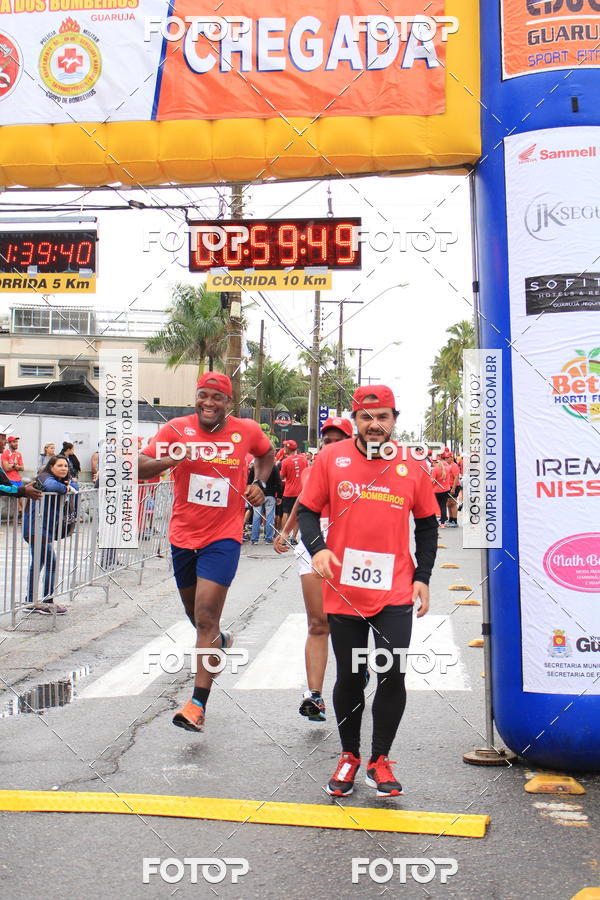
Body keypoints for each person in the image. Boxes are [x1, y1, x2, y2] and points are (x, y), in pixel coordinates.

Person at [297, 385, 438, 798]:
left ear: (395, 420)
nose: (375, 426)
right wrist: (318, 549)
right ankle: (349, 755)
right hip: (345, 588)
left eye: (383, 418)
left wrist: (423, 576)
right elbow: (306, 510)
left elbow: (428, 524)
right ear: (355, 420)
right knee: (351, 676)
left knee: (392, 673)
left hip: (394, 588)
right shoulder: (331, 458)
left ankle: (380, 760)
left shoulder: (411, 465)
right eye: (366, 418)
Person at [138, 372, 274, 733]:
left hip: (224, 537)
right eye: (203, 396)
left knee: (206, 617)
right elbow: (137, 467)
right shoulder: (175, 430)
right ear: (195, 397)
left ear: (228, 403)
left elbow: (266, 453)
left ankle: (197, 704)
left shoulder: (245, 430)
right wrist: (171, 460)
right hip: (183, 536)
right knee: (195, 616)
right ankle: (221, 641)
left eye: (217, 397)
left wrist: (259, 483)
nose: (209, 403)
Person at [274, 415, 353, 722]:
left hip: (349, 542)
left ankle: (353, 683)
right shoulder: (310, 469)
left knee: (348, 623)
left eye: (338, 441)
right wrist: (287, 531)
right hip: (313, 538)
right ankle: (315, 696)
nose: (330, 447)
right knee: (318, 621)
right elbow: (303, 503)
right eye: (326, 441)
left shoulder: (363, 470)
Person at [23, 455, 79, 615]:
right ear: (51, 466)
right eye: (60, 465)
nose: (63, 468)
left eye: (66, 466)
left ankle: (31, 600)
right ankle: (46, 601)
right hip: (36, 527)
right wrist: (66, 487)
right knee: (50, 562)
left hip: (42, 528)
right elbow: (50, 486)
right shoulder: (45, 477)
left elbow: (76, 486)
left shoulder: (57, 479)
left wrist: (70, 484)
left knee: (39, 562)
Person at [279, 439, 308, 544]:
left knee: (286, 513)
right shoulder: (304, 459)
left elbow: (281, 476)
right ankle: (294, 538)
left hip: (288, 492)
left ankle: (284, 537)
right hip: (301, 491)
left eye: (285, 447)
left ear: (287, 448)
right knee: (297, 514)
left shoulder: (285, 461)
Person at [249, 460, 282, 544]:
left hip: (257, 495)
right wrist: (279, 496)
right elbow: (278, 482)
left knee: (256, 516)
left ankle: (254, 539)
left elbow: (249, 482)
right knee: (270, 517)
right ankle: (268, 538)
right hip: (270, 495)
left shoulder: (255, 467)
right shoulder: (273, 467)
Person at [2, 436, 25, 514]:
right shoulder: (5, 453)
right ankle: (20, 514)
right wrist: (16, 466)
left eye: (17, 442)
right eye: (14, 442)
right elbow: (6, 468)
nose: (16, 444)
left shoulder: (18, 454)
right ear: (9, 443)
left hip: (18, 479)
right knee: (16, 496)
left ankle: (23, 513)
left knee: (21, 497)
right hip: (9, 479)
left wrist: (14, 466)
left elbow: (22, 468)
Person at [431, 453, 450, 527]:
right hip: (446, 489)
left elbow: (431, 480)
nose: (433, 463)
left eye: (433, 462)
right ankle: (443, 522)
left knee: (434, 507)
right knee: (443, 506)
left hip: (437, 491)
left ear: (436, 462)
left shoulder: (435, 470)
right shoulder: (447, 469)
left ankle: (435, 522)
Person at [444, 450, 461, 527]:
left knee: (453, 503)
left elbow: (456, 477)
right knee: (448, 503)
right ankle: (450, 519)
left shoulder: (454, 465)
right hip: (449, 486)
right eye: (445, 458)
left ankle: (455, 521)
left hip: (454, 486)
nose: (446, 459)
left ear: (451, 457)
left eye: (447, 458)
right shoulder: (448, 465)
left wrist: (453, 488)